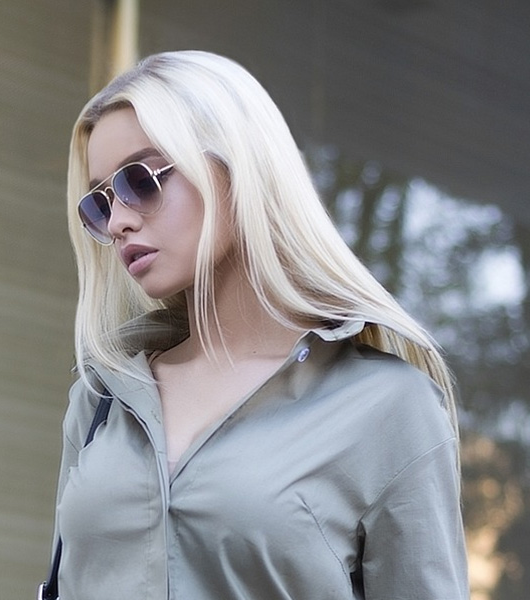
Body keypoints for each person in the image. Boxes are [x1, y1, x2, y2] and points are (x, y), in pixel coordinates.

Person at [49, 50, 468, 599]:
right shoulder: (102, 399)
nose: (121, 219)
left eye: (139, 180)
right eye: (100, 203)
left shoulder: (388, 405)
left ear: (232, 167)